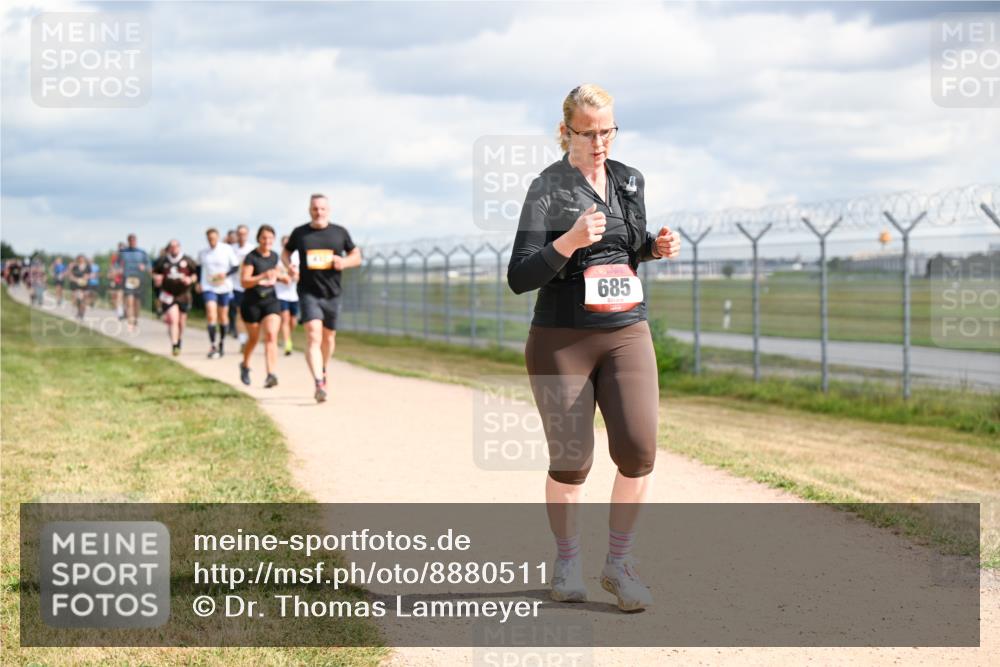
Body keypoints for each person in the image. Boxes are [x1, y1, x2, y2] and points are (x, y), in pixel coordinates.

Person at [507, 84, 681, 612]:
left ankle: (618, 565)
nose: (600, 141)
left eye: (608, 130)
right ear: (566, 132)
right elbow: (519, 275)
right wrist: (568, 241)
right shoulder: (547, 188)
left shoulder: (629, 179)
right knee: (571, 459)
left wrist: (654, 248)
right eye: (589, 132)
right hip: (562, 339)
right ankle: (566, 563)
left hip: (627, 330)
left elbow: (626, 250)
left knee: (639, 450)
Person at [282, 193, 361, 402]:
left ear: (328, 210)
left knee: (328, 337)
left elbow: (356, 256)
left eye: (322, 209)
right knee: (313, 335)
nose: (318, 212)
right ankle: (318, 383)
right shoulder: (300, 233)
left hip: (332, 293)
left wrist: (343, 262)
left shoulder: (339, 232)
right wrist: (289, 266)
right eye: (315, 208)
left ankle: (323, 369)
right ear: (309, 210)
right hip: (308, 292)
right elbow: (285, 252)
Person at [239, 225, 284, 387]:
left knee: (271, 335)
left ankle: (271, 374)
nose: (267, 241)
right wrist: (262, 276)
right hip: (252, 302)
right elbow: (244, 282)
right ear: (258, 239)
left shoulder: (274, 256)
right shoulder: (251, 257)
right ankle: (244, 365)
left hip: (270, 300)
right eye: (264, 238)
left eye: (270, 238)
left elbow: (276, 273)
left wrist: (282, 277)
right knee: (254, 339)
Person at [198, 228, 240, 358]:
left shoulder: (226, 249)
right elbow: (198, 267)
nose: (212, 241)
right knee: (211, 314)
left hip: (224, 287)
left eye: (214, 238)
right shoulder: (203, 253)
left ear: (218, 237)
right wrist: (198, 282)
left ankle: (222, 342)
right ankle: (213, 345)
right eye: (209, 239)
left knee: (223, 317)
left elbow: (236, 266)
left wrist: (225, 274)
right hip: (208, 286)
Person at [152, 239, 198, 356]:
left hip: (184, 295)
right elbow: (154, 272)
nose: (174, 249)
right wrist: (157, 278)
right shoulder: (162, 261)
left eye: (176, 246)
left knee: (182, 321)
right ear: (169, 248)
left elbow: (196, 274)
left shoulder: (187, 260)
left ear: (179, 247)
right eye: (171, 247)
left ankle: (179, 339)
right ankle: (174, 344)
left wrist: (190, 279)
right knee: (173, 319)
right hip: (168, 294)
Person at [118, 234, 150, 330]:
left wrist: (145, 268)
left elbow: (148, 265)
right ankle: (130, 321)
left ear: (136, 241)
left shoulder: (142, 252)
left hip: (139, 279)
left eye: (134, 240)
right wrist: (118, 269)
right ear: (128, 241)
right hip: (127, 278)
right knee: (129, 300)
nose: (132, 242)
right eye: (130, 240)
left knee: (137, 301)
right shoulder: (123, 252)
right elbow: (116, 264)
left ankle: (135, 319)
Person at [276, 234, 300, 356]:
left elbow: (302, 276)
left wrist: (297, 277)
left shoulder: (297, 259)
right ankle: (287, 344)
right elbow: (273, 275)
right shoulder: (278, 259)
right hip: (281, 294)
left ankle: (285, 336)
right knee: (285, 319)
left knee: (293, 322)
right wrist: (281, 279)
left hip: (294, 295)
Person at [230, 225, 254, 347]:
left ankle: (249, 337)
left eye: (244, 234)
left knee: (250, 314)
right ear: (236, 235)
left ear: (248, 235)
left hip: (250, 286)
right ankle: (243, 340)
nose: (242, 236)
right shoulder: (231, 249)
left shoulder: (252, 249)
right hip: (236, 286)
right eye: (239, 233)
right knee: (240, 312)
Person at [68, 255, 92, 320]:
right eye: (80, 259)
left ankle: (82, 314)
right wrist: (76, 279)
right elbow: (70, 276)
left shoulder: (88, 267)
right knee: (79, 299)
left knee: (84, 300)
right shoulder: (75, 267)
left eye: (82, 259)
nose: (81, 260)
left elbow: (89, 275)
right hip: (77, 286)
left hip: (86, 285)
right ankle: (79, 311)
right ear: (78, 259)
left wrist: (86, 277)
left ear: (84, 259)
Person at [109, 242, 126, 319]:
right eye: (120, 248)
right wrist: (112, 277)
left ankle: (123, 310)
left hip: (127, 279)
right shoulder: (115, 257)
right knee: (118, 295)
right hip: (118, 279)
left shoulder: (128, 257)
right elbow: (112, 267)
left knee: (126, 296)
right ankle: (120, 312)